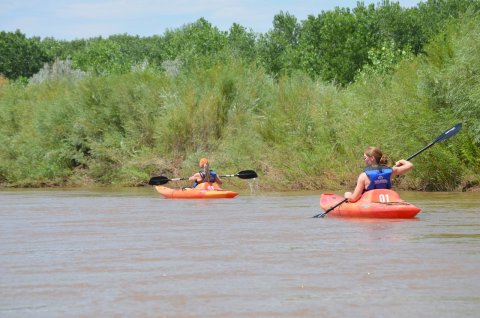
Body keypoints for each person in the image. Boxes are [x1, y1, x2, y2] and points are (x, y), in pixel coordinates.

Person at [344, 146, 414, 202]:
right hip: (387, 202)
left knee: (348, 193)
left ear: (372, 158)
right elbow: (410, 165)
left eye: (365, 158)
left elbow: (354, 199)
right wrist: (401, 161)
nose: (364, 160)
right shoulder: (391, 171)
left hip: (370, 203)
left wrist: (348, 195)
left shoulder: (363, 176)